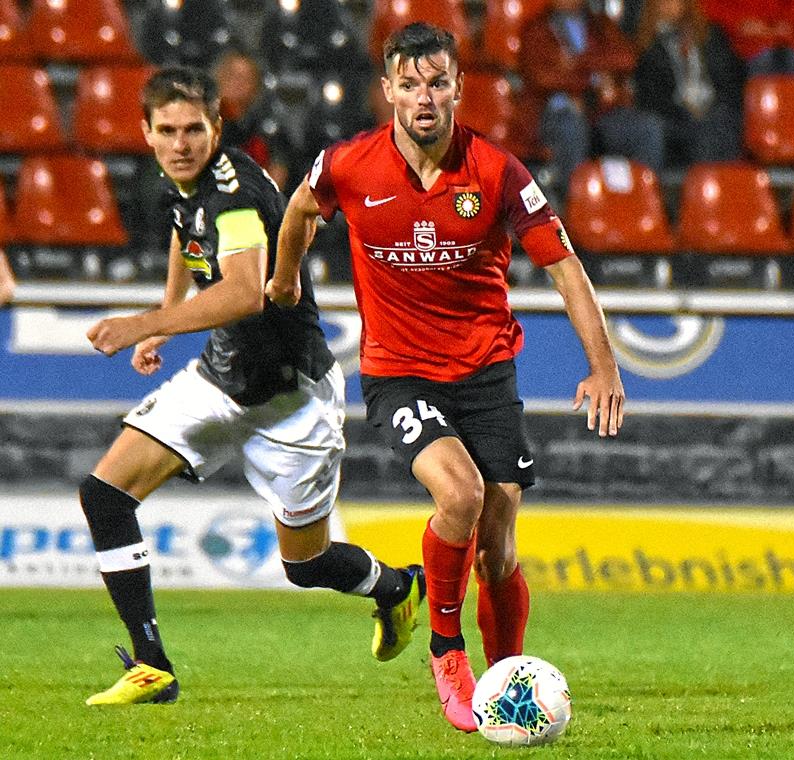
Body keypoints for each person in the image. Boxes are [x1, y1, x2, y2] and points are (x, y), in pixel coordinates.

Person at [265, 22, 626, 733]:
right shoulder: (349, 164)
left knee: (499, 540)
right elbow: (301, 209)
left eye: (437, 82)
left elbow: (564, 267)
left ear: (458, 86)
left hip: (486, 372)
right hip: (400, 374)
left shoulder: (496, 172)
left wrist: (603, 363)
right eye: (409, 84)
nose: (423, 97)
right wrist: (283, 282)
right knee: (458, 494)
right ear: (388, 90)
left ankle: (508, 683)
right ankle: (446, 648)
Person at [81, 66, 424, 706]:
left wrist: (142, 325)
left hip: (293, 399)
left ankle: (395, 587)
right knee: (104, 495)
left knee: (306, 565)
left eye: (193, 130)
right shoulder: (183, 184)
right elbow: (189, 238)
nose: (181, 143)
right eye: (167, 131)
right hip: (221, 378)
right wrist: (167, 319)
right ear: (147, 133)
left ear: (216, 127)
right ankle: (152, 665)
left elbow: (242, 291)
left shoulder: (232, 193)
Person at [519, 0, 666, 194]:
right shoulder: (538, 29)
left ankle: (641, 199)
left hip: (599, 111)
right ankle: (574, 205)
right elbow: (541, 77)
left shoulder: (599, 24)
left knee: (647, 128)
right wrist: (588, 83)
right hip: (555, 114)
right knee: (572, 128)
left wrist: (578, 63)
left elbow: (627, 58)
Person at [633, 0, 745, 169]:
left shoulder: (712, 36)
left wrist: (712, 109)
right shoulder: (647, 48)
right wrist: (686, 112)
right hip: (674, 117)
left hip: (713, 112)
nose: (667, 5)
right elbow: (651, 99)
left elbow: (729, 81)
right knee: (699, 131)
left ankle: (719, 185)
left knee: (720, 124)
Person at [214, 48, 294, 191]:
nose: (238, 84)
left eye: (246, 79)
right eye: (233, 77)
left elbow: (279, 170)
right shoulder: (204, 122)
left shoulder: (267, 128)